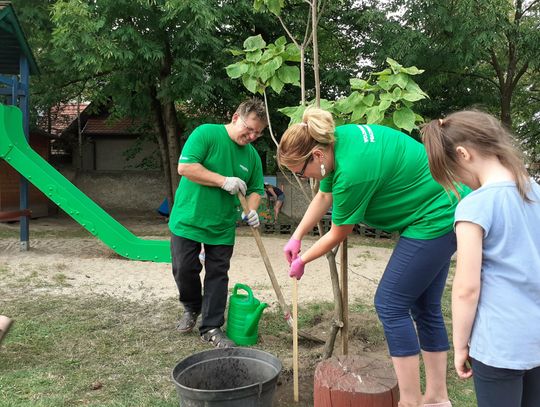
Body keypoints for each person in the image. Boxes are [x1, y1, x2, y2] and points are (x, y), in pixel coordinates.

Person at [277, 107, 464, 407]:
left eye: (299, 171)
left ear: (316, 156)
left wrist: (303, 260)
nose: (300, 177)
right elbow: (325, 196)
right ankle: (437, 398)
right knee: (425, 306)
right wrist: (296, 236)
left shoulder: (352, 174)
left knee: (389, 304)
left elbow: (338, 233)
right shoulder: (338, 140)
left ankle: (411, 402)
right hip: (444, 203)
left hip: (435, 215)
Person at [421, 111, 540, 407]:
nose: (459, 182)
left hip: (499, 345)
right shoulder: (536, 193)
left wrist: (460, 345)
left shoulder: (475, 206)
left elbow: (466, 289)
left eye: (454, 173)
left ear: (463, 154)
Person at [168, 98, 267, 348]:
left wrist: (252, 210)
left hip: (222, 225)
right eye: (250, 128)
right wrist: (223, 180)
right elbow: (186, 167)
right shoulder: (207, 134)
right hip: (189, 219)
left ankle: (211, 326)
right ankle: (191, 307)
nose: (253, 136)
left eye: (258, 133)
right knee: (184, 268)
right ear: (236, 118)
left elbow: (256, 189)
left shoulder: (252, 156)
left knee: (217, 275)